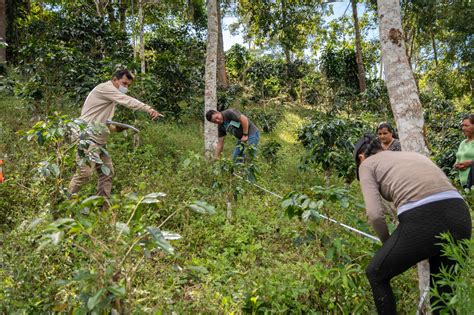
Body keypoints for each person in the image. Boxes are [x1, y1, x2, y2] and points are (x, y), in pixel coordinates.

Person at [353, 134, 471, 314]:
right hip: (459, 214)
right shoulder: (413, 155)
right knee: (443, 294)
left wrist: (388, 245)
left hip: (423, 217)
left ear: (361, 157)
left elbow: (375, 215)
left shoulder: (367, 164)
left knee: (376, 273)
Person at [68, 69, 162, 199]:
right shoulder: (105, 88)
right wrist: (148, 109)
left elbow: (103, 123)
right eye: (123, 83)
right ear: (114, 80)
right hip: (87, 138)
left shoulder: (110, 98)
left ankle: (103, 208)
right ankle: (64, 204)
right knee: (85, 173)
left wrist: (118, 128)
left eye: (128, 85)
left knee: (107, 173)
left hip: (99, 141)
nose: (125, 87)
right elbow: (127, 100)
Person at [454, 114, 474, 190]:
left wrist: (470, 163)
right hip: (464, 184)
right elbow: (458, 160)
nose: (463, 128)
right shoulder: (462, 143)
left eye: (466, 125)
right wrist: (456, 165)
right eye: (462, 126)